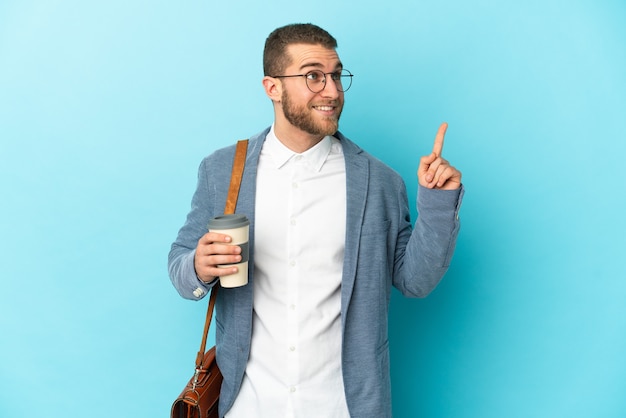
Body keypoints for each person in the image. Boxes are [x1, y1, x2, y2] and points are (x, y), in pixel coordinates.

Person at [169, 23, 463, 418]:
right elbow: (180, 263)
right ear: (272, 87)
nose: (332, 91)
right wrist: (198, 267)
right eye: (313, 76)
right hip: (248, 405)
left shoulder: (379, 183)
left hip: (344, 407)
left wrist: (438, 203)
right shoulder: (222, 171)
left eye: (337, 76)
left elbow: (415, 281)